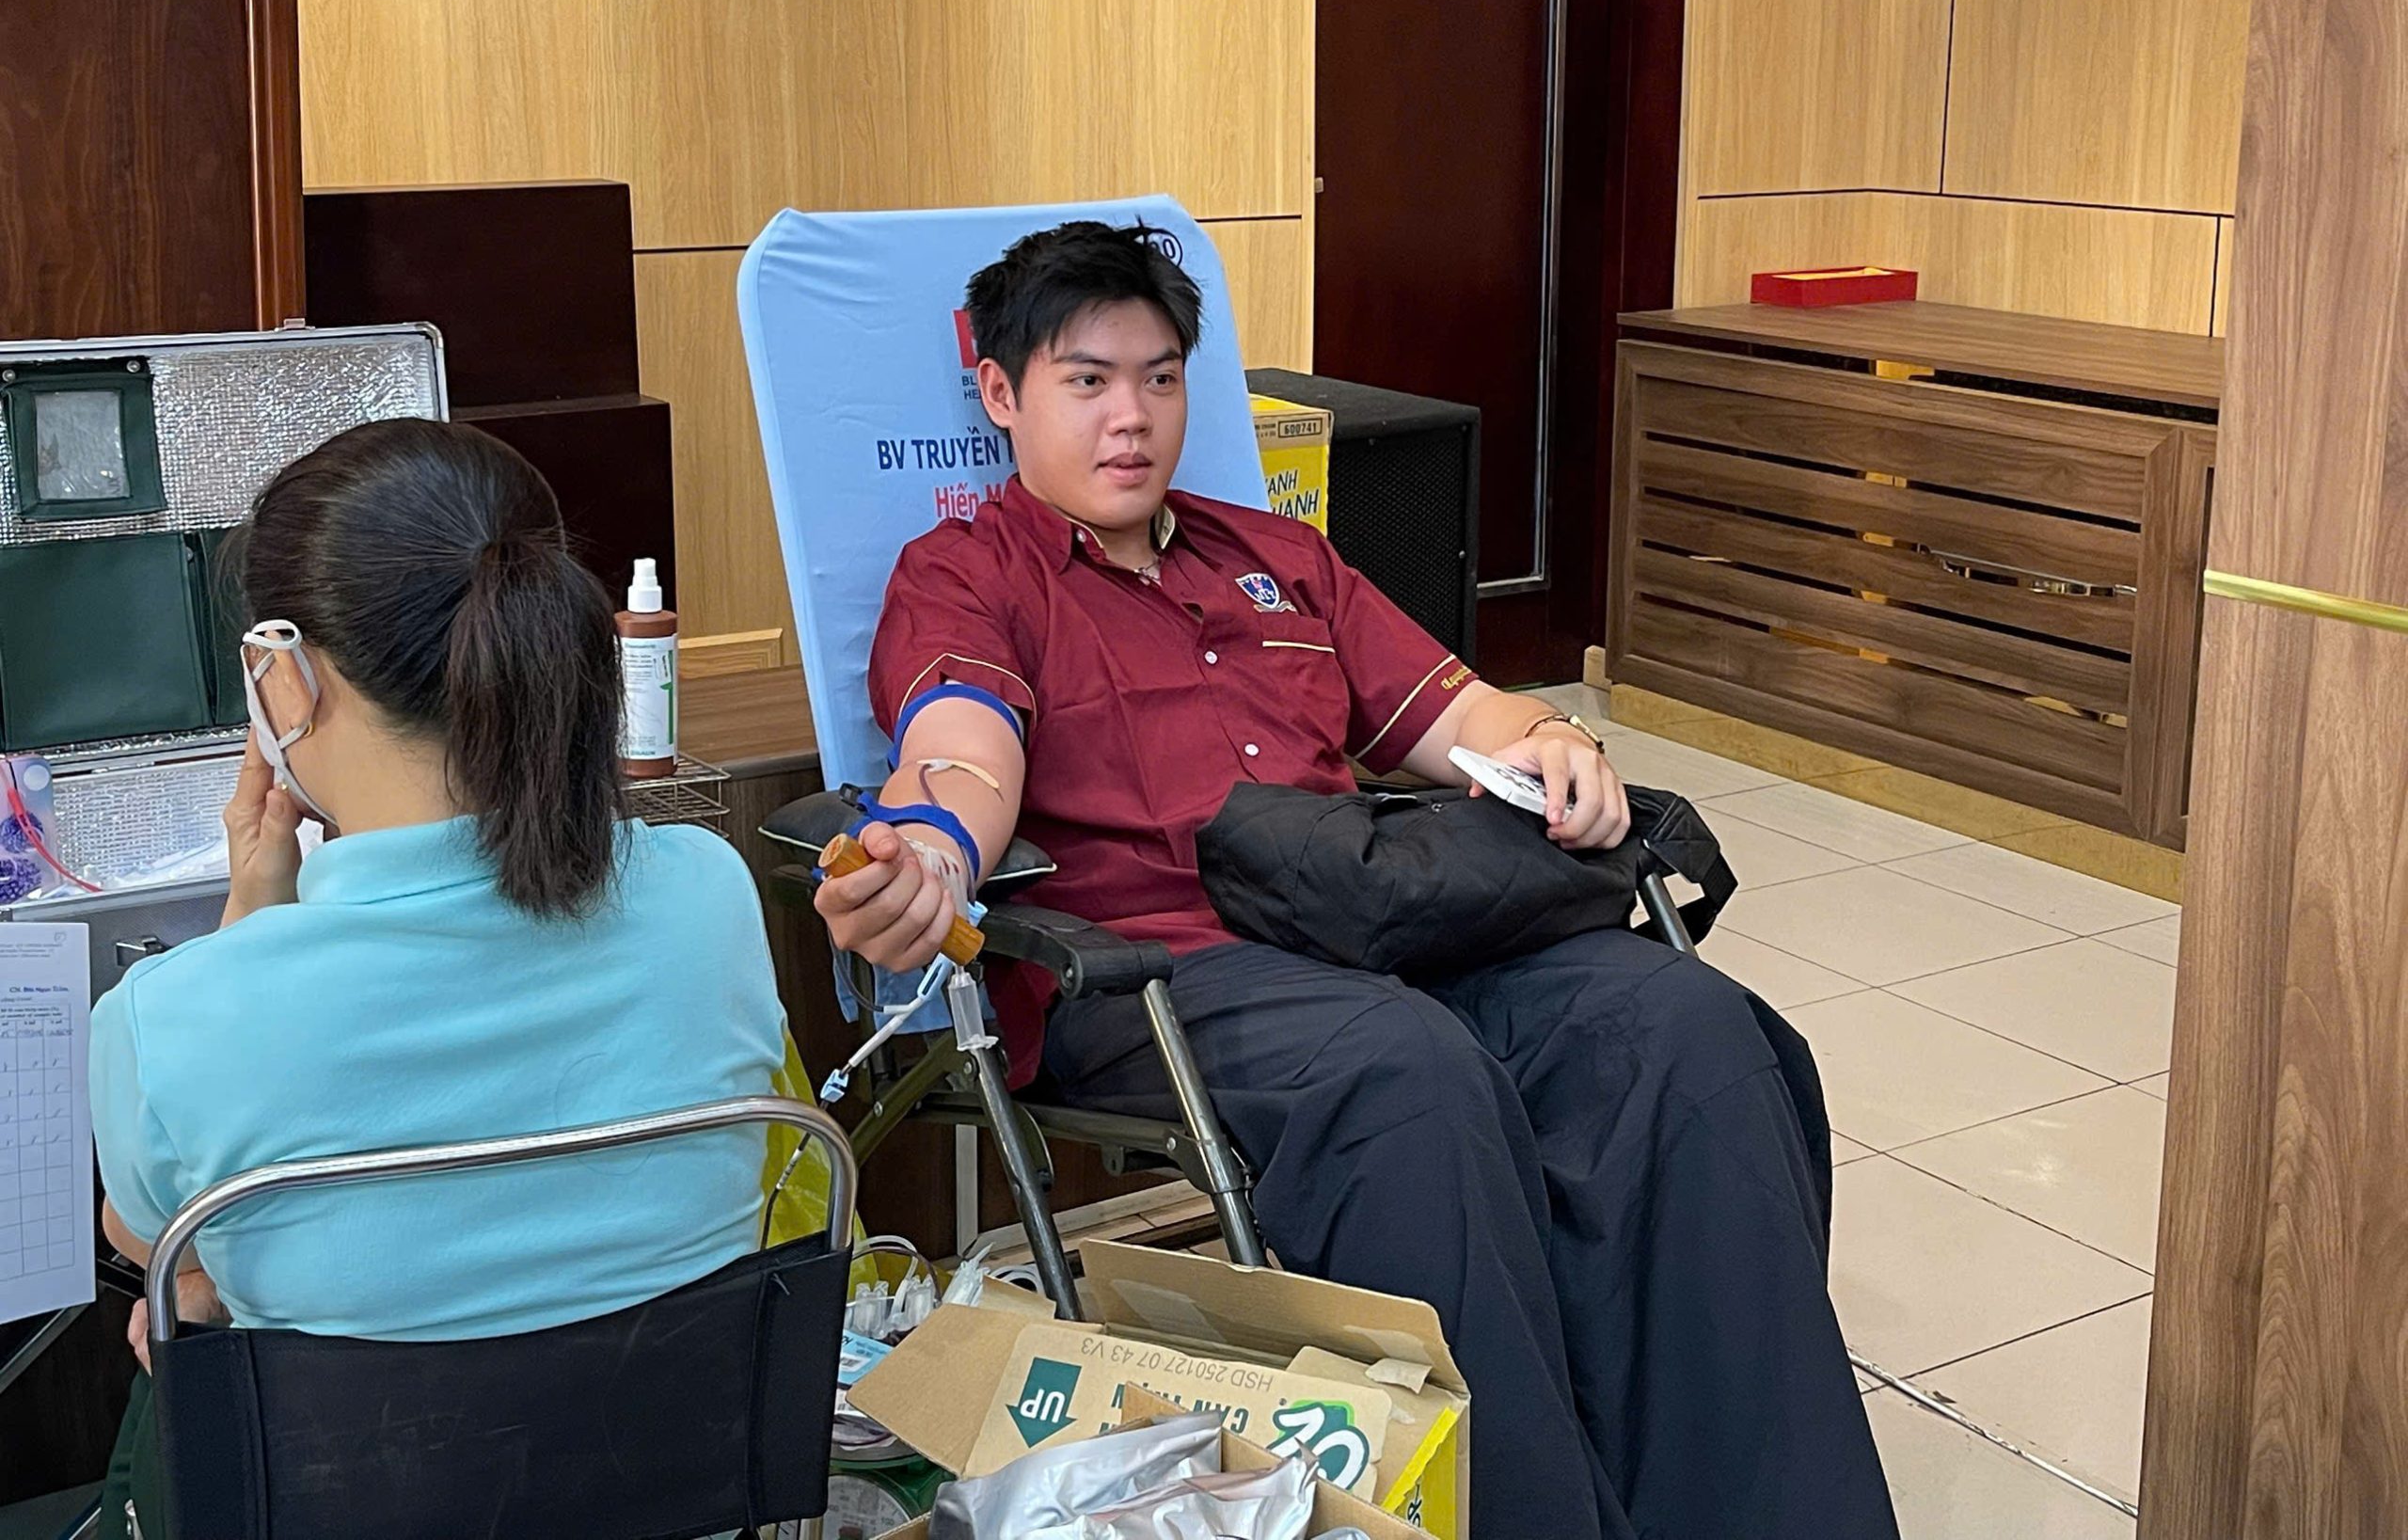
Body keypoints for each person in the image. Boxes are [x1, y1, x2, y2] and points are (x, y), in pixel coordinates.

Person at [816, 221, 1897, 1539]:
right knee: (1410, 1079)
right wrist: (930, 853)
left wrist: (1557, 742)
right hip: (1162, 968)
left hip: (1371, 919)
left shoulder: (1278, 559)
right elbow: (961, 755)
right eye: (1086, 381)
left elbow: (1463, 714)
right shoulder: (968, 576)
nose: (1131, 417)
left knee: (1685, 1027)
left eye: (1160, 379)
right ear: (1001, 394)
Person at [87, 421, 788, 1525]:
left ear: (282, 676)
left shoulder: (173, 1017)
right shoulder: (709, 892)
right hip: (669, 1501)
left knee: (180, 1326)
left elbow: (149, 1241)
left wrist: (246, 924)